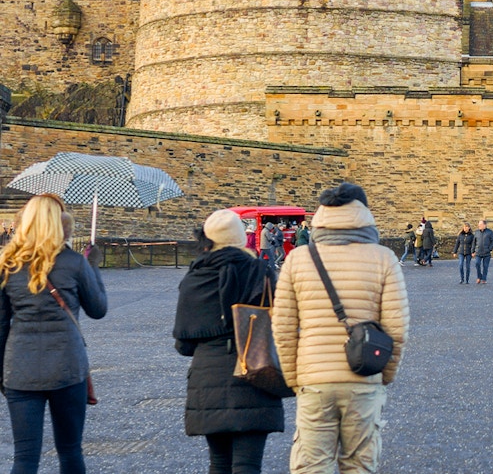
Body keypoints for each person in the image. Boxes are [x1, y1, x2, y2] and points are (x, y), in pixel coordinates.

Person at [272, 182, 409, 474]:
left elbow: (282, 328)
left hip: (314, 379)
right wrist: (383, 375)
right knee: (359, 465)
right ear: (364, 214)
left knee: (311, 466)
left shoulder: (297, 259)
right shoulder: (384, 258)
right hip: (364, 375)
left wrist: (296, 379)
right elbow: (397, 329)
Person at [0, 194, 108, 474]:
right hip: (67, 367)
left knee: (24, 458)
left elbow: (0, 327)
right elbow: (98, 309)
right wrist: (93, 265)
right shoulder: (73, 262)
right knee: (70, 451)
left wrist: (3, 374)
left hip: (20, 370)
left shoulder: (7, 264)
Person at [173, 209, 283, 474]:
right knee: (248, 465)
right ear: (241, 238)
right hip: (255, 372)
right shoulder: (260, 272)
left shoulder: (194, 277)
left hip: (207, 379)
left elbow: (183, 345)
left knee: (219, 463)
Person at [473, 220, 493, 284]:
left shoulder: (489, 232)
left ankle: (484, 278)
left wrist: (490, 249)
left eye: (480, 225)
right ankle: (479, 277)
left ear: (484, 225)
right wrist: (473, 251)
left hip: (487, 253)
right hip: (478, 252)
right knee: (477, 264)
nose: (479, 226)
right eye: (479, 225)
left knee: (485, 266)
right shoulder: (477, 232)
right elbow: (474, 242)